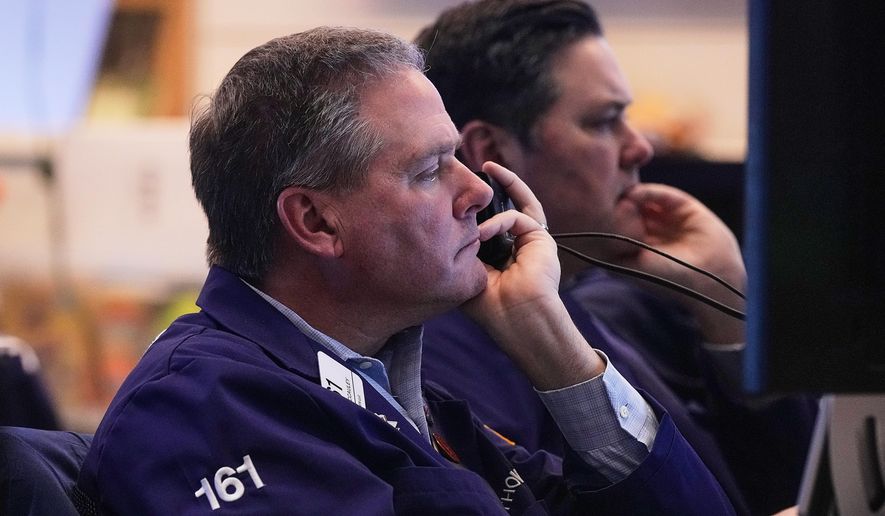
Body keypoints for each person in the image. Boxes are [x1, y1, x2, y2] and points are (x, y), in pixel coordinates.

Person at [73, 27, 734, 514]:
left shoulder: (405, 394)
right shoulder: (202, 406)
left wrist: (554, 346)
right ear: (316, 223)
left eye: (459, 159)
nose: (478, 192)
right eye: (428, 171)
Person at [416, 1, 816, 514]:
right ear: (491, 150)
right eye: (605, 121)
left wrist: (720, 294)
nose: (640, 147)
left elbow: (800, 484)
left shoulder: (627, 307)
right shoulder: (446, 363)